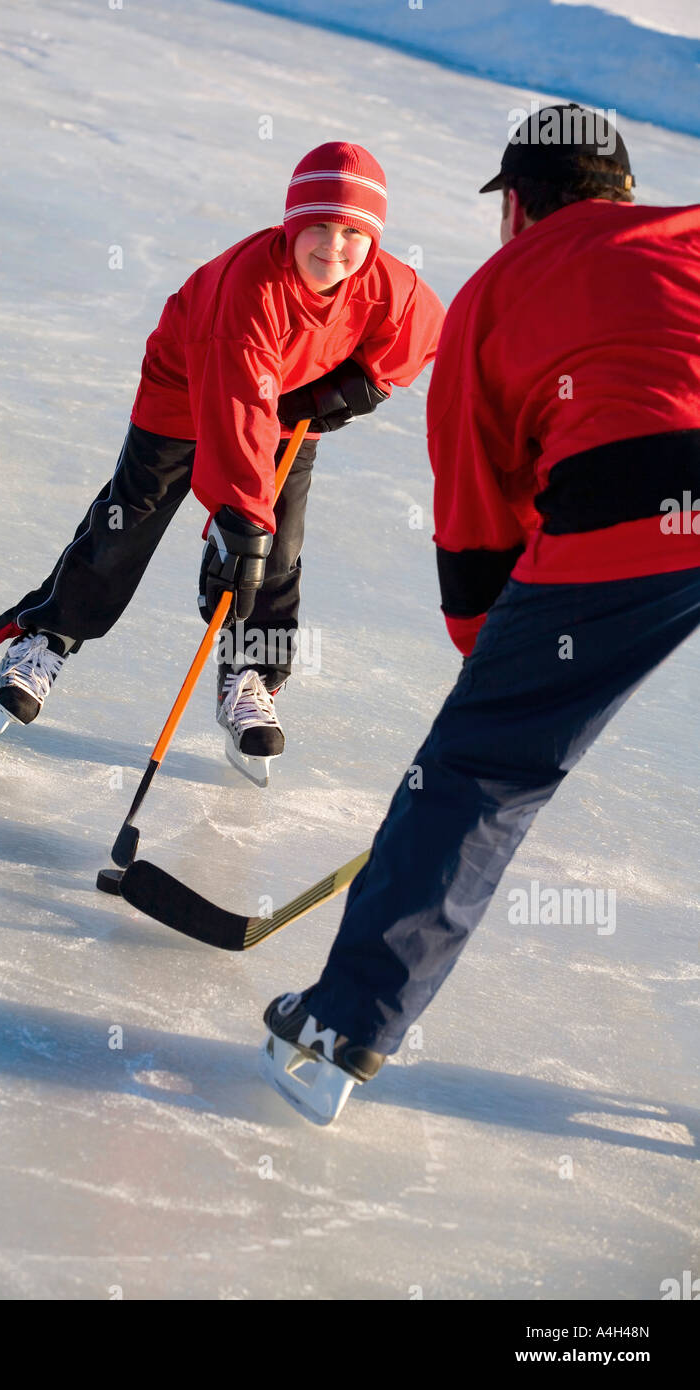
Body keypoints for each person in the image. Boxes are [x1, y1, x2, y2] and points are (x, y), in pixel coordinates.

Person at [262, 106, 700, 1124]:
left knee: (479, 772)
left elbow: (472, 526)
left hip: (628, 504)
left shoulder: (493, 294)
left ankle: (339, 1028)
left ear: (513, 205)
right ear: (625, 196)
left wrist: (491, 667)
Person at [0, 141, 444, 784]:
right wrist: (238, 518)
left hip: (283, 405)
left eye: (352, 231)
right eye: (319, 227)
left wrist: (357, 385)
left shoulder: (385, 283)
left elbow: (427, 329)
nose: (335, 247)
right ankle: (47, 637)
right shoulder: (250, 287)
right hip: (188, 388)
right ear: (291, 224)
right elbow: (236, 409)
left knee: (277, 551)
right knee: (131, 518)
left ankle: (252, 677)